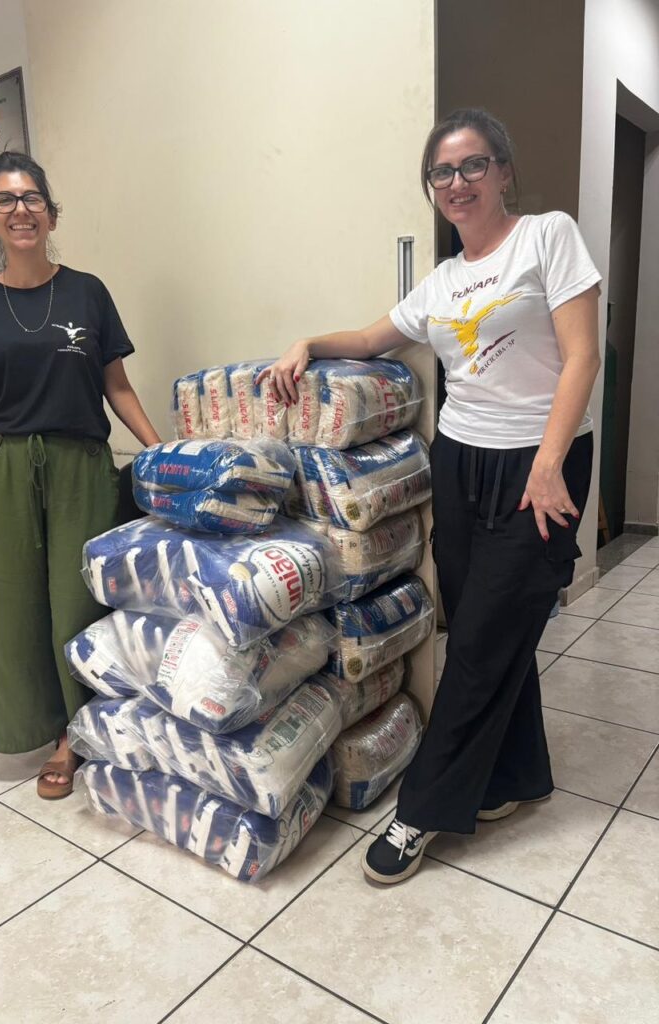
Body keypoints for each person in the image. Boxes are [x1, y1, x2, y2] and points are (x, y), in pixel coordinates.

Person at [259, 108, 601, 883]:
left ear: (504, 170)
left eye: (473, 166)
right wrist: (309, 341)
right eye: (442, 173)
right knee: (484, 627)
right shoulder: (442, 281)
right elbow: (376, 337)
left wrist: (548, 464)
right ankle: (519, 777)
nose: (458, 183)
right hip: (460, 462)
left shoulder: (549, 236)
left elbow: (582, 358)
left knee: (480, 644)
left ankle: (421, 811)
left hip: (537, 467)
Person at [0, 151, 160, 799]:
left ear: (51, 212)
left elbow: (115, 386)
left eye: (31, 198)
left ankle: (75, 735)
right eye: (5, 200)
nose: (20, 210)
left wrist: (158, 450)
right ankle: (35, 724)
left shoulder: (87, 291)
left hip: (78, 464)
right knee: (10, 605)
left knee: (77, 602)